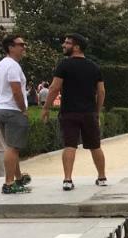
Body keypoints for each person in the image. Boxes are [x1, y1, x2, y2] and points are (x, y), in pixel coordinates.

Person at [43, 32, 107, 191]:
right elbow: (101, 92)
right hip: (89, 112)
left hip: (69, 111)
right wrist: (97, 111)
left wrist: (46, 108)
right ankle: (102, 177)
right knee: (95, 145)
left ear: (76, 47)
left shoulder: (64, 65)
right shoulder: (94, 67)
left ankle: (67, 179)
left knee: (70, 145)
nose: (64, 45)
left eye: (67, 43)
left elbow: (54, 88)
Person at [0, 34, 32, 194]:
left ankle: (18, 178)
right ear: (11, 47)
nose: (24, 47)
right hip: (12, 110)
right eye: (21, 44)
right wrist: (23, 110)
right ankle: (9, 184)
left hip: (0, 108)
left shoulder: (1, 65)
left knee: (11, 146)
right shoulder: (13, 66)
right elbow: (16, 91)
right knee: (13, 148)